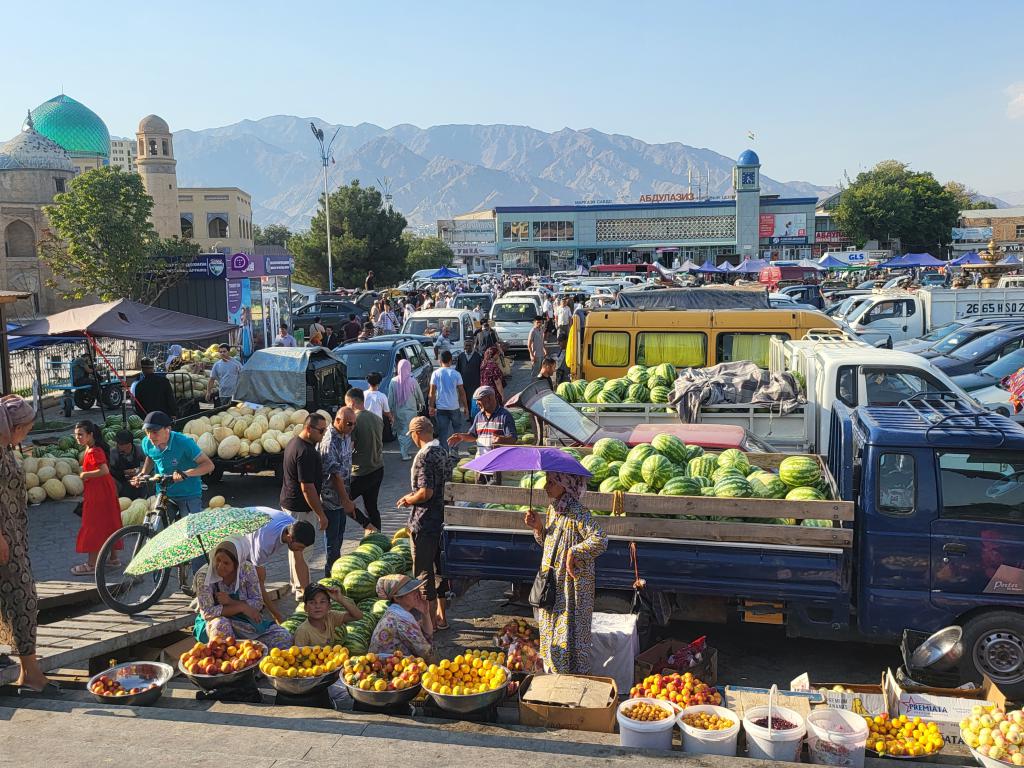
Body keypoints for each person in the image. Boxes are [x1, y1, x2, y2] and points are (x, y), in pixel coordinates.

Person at [523, 471, 607, 674]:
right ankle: (553, 673)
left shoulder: (579, 513)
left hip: (572, 587)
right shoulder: (554, 509)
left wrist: (574, 551)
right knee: (550, 629)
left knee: (571, 631)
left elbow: (601, 540)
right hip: (552, 584)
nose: (545, 486)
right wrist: (538, 528)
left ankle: (571, 678)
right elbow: (549, 544)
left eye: (551, 482)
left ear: (566, 485)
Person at [0, 395, 55, 693]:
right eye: (27, 427)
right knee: (23, 598)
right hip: (4, 538)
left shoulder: (5, 447)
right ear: (15, 426)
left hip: (14, 534)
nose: (27, 433)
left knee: (15, 598)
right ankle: (31, 673)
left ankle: (26, 672)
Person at [133, 410, 214, 580]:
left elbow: (208, 465)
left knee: (194, 536)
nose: (150, 436)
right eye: (147, 432)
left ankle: (200, 579)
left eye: (154, 432)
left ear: (167, 429)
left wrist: (186, 473)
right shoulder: (148, 442)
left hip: (188, 493)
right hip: (164, 493)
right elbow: (150, 457)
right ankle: (158, 580)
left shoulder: (184, 443)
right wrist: (142, 474)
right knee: (159, 535)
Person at [398, 417, 453, 632]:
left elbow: (425, 492)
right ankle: (442, 617)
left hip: (424, 521)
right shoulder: (443, 452)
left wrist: (408, 499)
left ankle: (428, 624)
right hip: (442, 518)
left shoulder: (425, 456)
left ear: (417, 434)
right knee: (440, 570)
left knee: (423, 572)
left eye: (411, 435)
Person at [193, 539, 292, 650]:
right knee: (222, 627)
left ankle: (251, 653)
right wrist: (241, 607)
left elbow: (257, 602)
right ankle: (229, 662)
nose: (220, 566)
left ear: (237, 564)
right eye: (218, 560)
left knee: (284, 637)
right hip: (215, 623)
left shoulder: (247, 569)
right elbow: (207, 612)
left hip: (244, 621)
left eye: (226, 563)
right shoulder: (204, 577)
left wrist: (233, 603)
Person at [279, 413, 328, 599]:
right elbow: (307, 487)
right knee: (303, 549)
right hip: (301, 508)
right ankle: (303, 591)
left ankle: (296, 585)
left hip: (290, 503)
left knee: (295, 549)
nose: (323, 434)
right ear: (309, 429)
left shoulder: (293, 442)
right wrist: (320, 514)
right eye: (321, 431)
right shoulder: (306, 452)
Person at [243, 509, 316, 624]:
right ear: (289, 537)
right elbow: (259, 583)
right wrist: (277, 615)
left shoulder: (294, 526)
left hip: (255, 520)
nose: (301, 550)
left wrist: (307, 598)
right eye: (300, 547)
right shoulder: (264, 544)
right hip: (240, 534)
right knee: (249, 587)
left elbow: (300, 563)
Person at [70, 421, 123, 576]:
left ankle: (91, 564)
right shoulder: (94, 448)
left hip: (98, 494)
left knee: (92, 525)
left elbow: (104, 470)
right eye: (76, 434)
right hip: (105, 491)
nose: (77, 437)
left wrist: (85, 474)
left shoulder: (93, 451)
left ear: (90, 435)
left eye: (81, 434)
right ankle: (114, 559)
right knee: (109, 523)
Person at [319, 406, 358, 576]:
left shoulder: (345, 434)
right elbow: (334, 475)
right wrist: (346, 500)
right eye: (349, 424)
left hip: (342, 497)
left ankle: (336, 571)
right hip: (331, 499)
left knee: (339, 536)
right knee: (332, 542)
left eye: (354, 424)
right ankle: (330, 576)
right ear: (338, 420)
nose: (352, 427)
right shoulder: (330, 441)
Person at [448, 387, 517, 483]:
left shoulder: (505, 416)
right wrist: (462, 436)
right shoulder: (479, 416)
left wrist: (502, 439)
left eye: (478, 400)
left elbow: (513, 439)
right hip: (480, 468)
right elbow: (473, 436)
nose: (476, 403)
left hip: (496, 470)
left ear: (488, 398)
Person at [346, 387, 385, 534]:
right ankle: (378, 537)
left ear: (351, 403)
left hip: (360, 472)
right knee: (371, 506)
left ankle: (368, 526)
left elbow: (349, 447)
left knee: (342, 502)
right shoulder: (377, 418)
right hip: (378, 468)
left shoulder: (354, 422)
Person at [368, 574, 433, 659]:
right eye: (410, 591)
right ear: (396, 598)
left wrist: (426, 613)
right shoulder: (402, 621)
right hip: (389, 669)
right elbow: (426, 652)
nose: (416, 593)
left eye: (415, 590)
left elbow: (426, 634)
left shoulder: (394, 613)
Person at [292, 582, 363, 647]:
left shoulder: (331, 617)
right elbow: (298, 657)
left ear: (329, 606)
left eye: (322, 602)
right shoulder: (303, 632)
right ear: (305, 608)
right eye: (312, 602)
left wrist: (340, 599)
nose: (317, 606)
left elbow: (358, 616)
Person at [388, 359, 426, 461]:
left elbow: (390, 398)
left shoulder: (393, 381)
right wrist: (422, 403)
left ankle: (403, 450)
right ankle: (404, 453)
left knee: (401, 431)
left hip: (398, 411)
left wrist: (390, 410)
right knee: (408, 431)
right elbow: (419, 395)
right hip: (411, 412)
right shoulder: (413, 381)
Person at [108, 429, 145, 499]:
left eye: (120, 444)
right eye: (117, 443)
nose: (118, 445)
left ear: (129, 444)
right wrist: (124, 472)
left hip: (137, 480)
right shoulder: (113, 453)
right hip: (121, 482)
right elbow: (111, 471)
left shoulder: (140, 450)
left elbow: (149, 463)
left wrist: (140, 470)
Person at [455, 340, 482, 415]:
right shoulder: (461, 356)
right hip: (464, 382)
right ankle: (470, 414)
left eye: (469, 345)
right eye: (466, 345)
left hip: (475, 382)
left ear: (473, 346)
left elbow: (481, 369)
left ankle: (474, 415)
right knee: (466, 399)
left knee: (474, 399)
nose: (467, 347)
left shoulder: (477, 356)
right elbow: (458, 369)